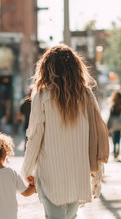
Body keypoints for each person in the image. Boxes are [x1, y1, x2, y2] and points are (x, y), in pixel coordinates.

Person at [21, 44, 109, 219]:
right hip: (78, 173)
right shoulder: (85, 94)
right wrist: (95, 168)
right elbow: (96, 131)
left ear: (46, 68)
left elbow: (35, 136)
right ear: (76, 69)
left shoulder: (42, 95)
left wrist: (27, 170)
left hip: (51, 175)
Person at [107, 91, 121, 158]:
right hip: (120, 125)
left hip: (114, 125)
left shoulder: (113, 107)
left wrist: (108, 125)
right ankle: (117, 149)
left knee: (114, 138)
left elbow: (110, 117)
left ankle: (115, 149)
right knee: (118, 137)